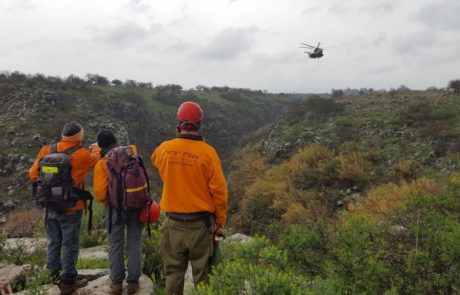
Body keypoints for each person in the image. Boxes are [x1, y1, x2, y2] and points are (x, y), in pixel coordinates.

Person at [151, 101, 228, 294]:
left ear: (179, 123)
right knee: (202, 274)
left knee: (173, 272)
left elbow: (158, 164)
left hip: (173, 223)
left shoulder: (164, 149)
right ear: (199, 124)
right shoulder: (208, 153)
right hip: (200, 225)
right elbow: (219, 191)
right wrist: (220, 222)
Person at [28, 122, 100, 294]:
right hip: (71, 206)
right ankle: (68, 280)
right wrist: (96, 148)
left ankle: (52, 276)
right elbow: (96, 160)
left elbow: (32, 174)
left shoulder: (47, 149)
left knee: (53, 241)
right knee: (70, 243)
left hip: (49, 205)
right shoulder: (81, 154)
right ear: (78, 138)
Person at [92, 129, 144, 295]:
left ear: (101, 146)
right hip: (135, 205)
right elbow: (133, 149)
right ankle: (133, 282)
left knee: (116, 244)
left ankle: (116, 284)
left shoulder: (102, 163)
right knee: (134, 242)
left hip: (114, 209)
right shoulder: (130, 152)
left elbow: (100, 194)